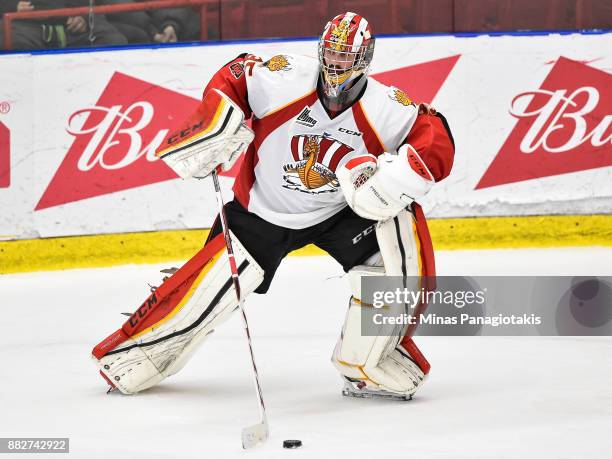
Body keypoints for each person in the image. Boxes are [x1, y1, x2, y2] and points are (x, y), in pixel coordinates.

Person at [92, 12, 455, 401]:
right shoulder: (283, 76)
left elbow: (434, 136)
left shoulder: (386, 105)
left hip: (337, 215)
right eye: (330, 54)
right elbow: (235, 74)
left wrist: (394, 180)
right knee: (209, 292)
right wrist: (215, 121)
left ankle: (367, 363)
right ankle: (136, 354)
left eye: (345, 58)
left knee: (390, 268)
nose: (335, 65)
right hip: (261, 213)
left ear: (364, 59)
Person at [0, 1, 126, 51]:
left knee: (114, 40)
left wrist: (84, 18)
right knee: (17, 46)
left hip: (71, 24)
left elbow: (89, 5)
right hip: (24, 24)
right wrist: (12, 7)